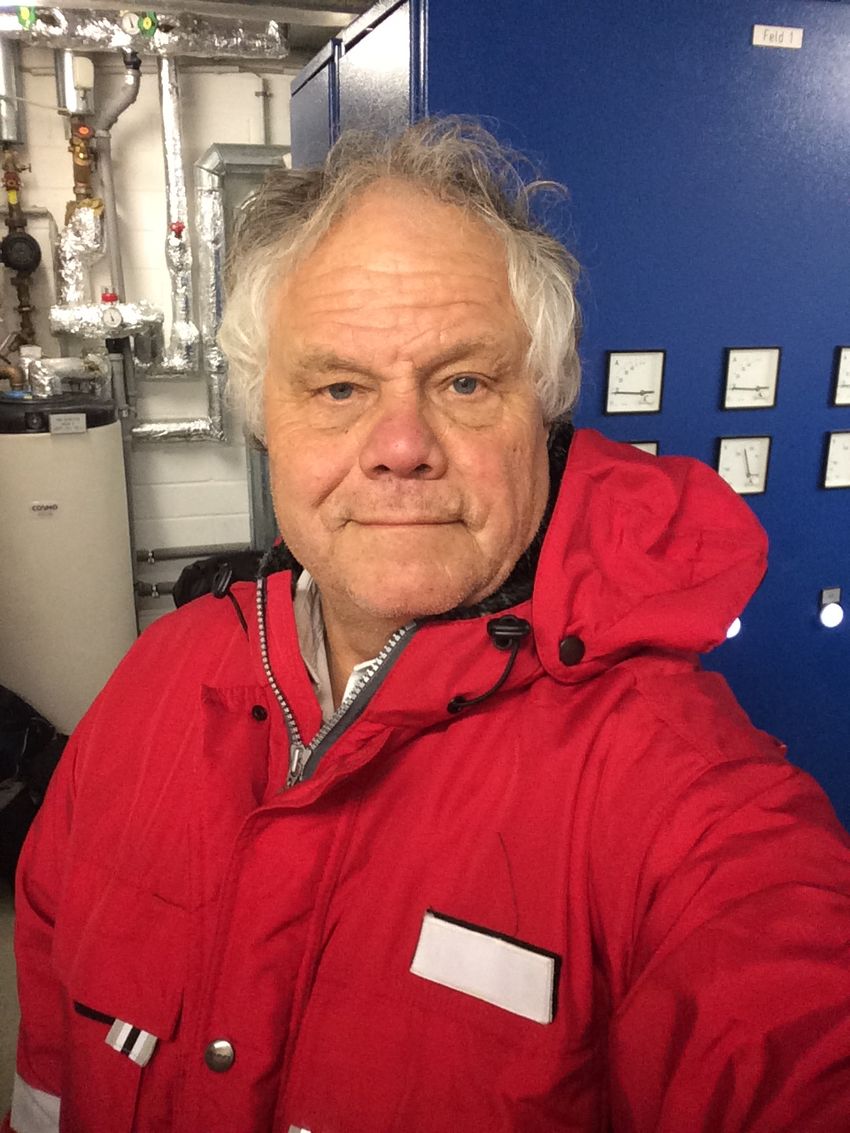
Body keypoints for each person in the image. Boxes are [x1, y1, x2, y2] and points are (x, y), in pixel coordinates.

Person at [8, 118, 850, 1133]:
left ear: (541, 413)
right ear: (263, 418)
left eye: (463, 381)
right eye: (338, 387)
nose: (401, 446)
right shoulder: (156, 681)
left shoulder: (680, 791)